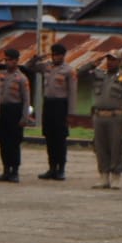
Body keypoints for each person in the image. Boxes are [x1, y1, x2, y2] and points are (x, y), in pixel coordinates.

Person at [87, 51, 122, 190]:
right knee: (99, 147)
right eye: (108, 59)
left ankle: (116, 176)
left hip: (116, 116)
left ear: (120, 62)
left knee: (116, 147)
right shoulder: (99, 75)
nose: (110, 62)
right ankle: (103, 176)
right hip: (99, 116)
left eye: (113, 60)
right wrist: (94, 62)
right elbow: (80, 73)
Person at [31, 43, 79, 181]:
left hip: (61, 105)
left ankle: (61, 169)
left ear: (63, 56)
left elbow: (72, 92)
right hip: (49, 104)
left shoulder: (69, 71)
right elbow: (29, 67)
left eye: (57, 55)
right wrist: (37, 58)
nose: (55, 57)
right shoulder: (47, 66)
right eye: (53, 54)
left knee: (60, 138)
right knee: (49, 137)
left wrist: (71, 113)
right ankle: (51, 168)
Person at [0, 47, 33, 182]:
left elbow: (26, 99)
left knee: (13, 143)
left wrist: (24, 117)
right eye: (6, 60)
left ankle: (14, 171)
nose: (8, 62)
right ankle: (5, 170)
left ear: (16, 61)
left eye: (10, 60)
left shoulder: (21, 78)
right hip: (2, 111)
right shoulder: (1, 75)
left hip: (15, 111)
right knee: (2, 141)